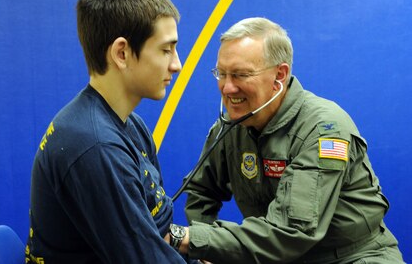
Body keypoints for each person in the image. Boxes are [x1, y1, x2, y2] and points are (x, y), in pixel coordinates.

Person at [169, 17, 405, 263]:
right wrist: (209, 252)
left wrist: (190, 238)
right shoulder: (230, 128)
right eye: (221, 73)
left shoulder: (324, 130)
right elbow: (201, 190)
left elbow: (290, 232)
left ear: (279, 75)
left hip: (352, 257)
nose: (227, 88)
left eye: (240, 75)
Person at [25, 0, 188, 263]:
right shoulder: (95, 145)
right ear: (122, 53)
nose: (177, 64)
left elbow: (157, 227)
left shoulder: (130, 125)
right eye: (166, 49)